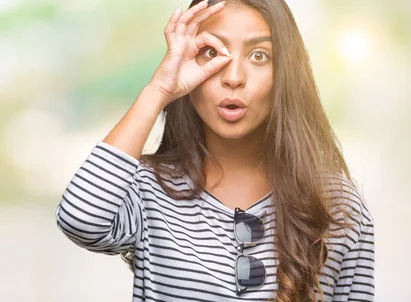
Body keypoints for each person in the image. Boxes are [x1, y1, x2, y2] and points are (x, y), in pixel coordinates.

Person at [55, 0, 374, 301]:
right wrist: (159, 90)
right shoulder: (147, 189)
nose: (233, 78)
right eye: (210, 52)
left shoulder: (336, 206)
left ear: (285, 74)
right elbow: (80, 220)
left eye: (259, 55)